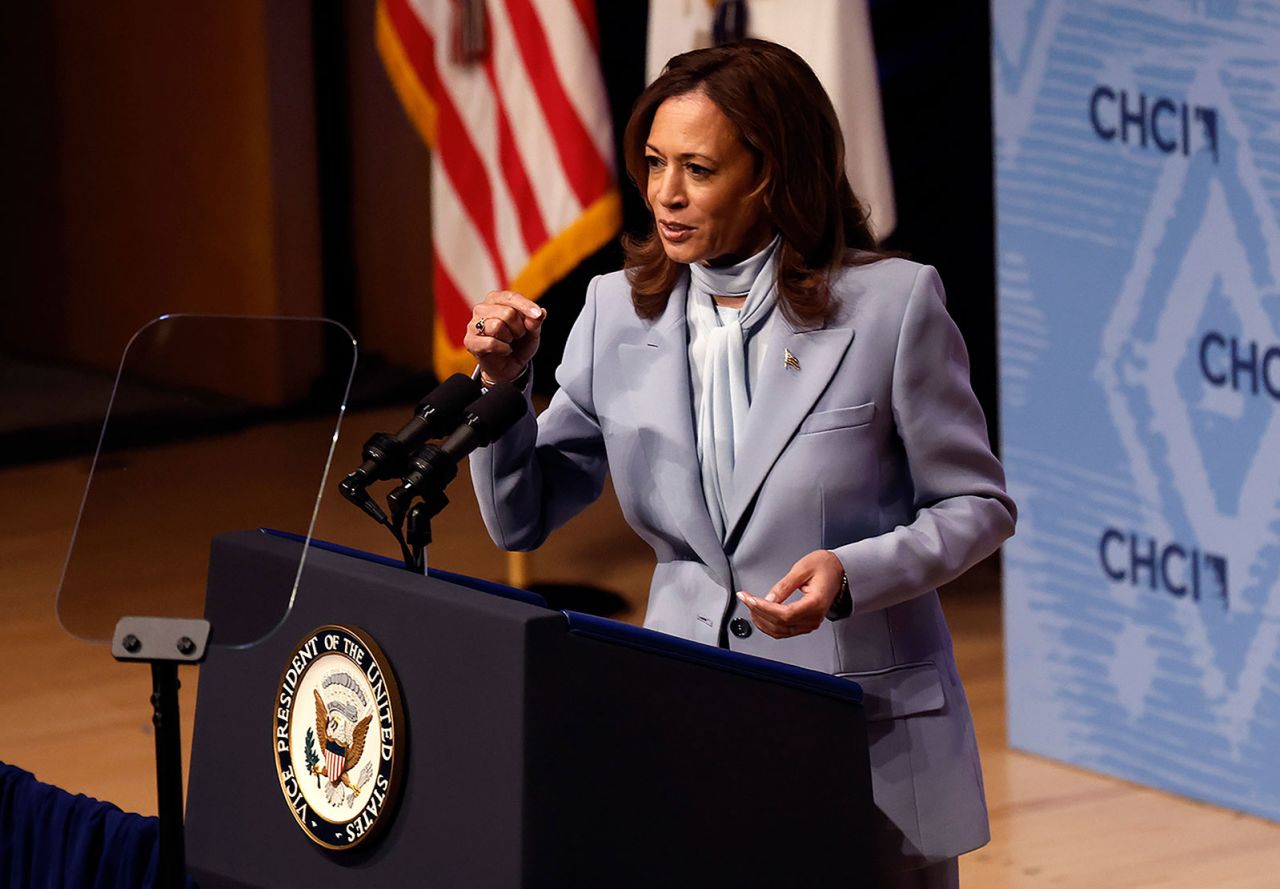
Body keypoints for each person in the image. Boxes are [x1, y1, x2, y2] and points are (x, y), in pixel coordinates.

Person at [464, 39, 1015, 888]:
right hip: (688, 728)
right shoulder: (615, 313)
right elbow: (521, 512)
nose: (665, 195)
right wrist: (502, 390)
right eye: (653, 164)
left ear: (771, 174)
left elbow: (977, 504)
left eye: (698, 168)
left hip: (860, 738)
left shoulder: (893, 307)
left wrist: (852, 569)